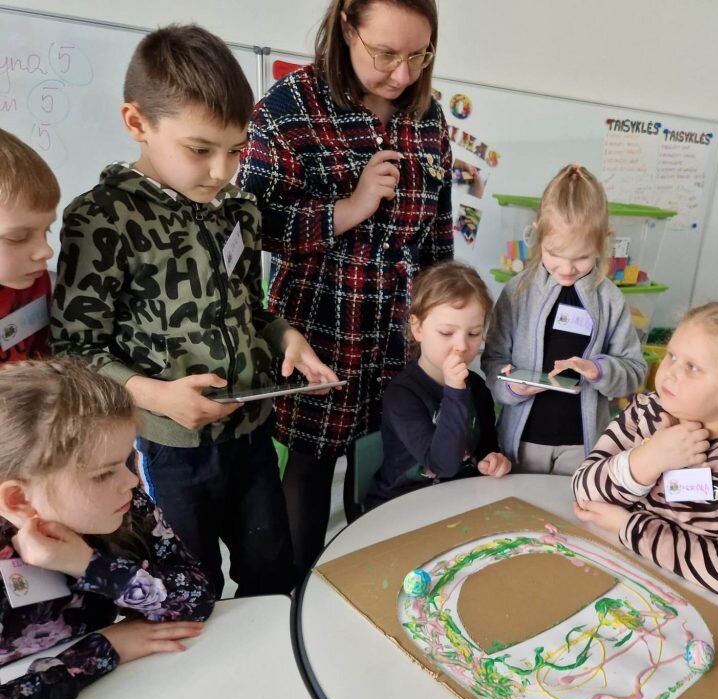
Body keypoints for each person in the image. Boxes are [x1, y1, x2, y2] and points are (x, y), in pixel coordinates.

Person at [49, 25, 336, 596]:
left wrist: (286, 337)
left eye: (236, 149)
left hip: (250, 433)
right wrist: (158, 397)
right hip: (165, 447)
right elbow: (75, 350)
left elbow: (251, 309)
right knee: (188, 587)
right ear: (137, 123)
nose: (222, 170)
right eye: (200, 150)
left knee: (272, 574)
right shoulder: (102, 218)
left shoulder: (239, 209)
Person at [238, 0, 452, 575]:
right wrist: (347, 209)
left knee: (391, 459)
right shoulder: (288, 109)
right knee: (310, 467)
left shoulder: (428, 117)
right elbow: (251, 224)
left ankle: (369, 583)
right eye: (385, 54)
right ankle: (299, 594)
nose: (402, 74)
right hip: (320, 328)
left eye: (418, 55)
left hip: (400, 332)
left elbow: (437, 235)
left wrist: (442, 319)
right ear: (346, 27)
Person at [0, 359, 214, 699]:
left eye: (127, 460)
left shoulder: (123, 506)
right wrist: (100, 652)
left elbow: (196, 597)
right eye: (103, 473)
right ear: (18, 499)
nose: (132, 481)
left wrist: (87, 564)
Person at [572, 302, 718, 595]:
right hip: (613, 571)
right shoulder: (646, 410)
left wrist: (628, 526)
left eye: (692, 367)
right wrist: (648, 459)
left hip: (686, 598)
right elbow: (583, 490)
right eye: (671, 355)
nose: (668, 372)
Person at [481, 163, 647, 475]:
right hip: (522, 443)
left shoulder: (610, 299)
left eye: (582, 257)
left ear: (603, 241)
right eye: (554, 253)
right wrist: (511, 388)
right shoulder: (517, 292)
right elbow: (493, 360)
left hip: (582, 447)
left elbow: (634, 371)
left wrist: (599, 370)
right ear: (538, 236)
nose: (567, 268)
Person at [366, 261, 510, 508]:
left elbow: (485, 445)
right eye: (446, 333)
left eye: (474, 333)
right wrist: (454, 391)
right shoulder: (402, 394)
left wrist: (493, 460)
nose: (462, 346)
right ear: (418, 328)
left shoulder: (476, 386)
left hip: (459, 500)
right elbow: (443, 465)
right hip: (403, 506)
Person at [0, 129, 56, 364]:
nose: (46, 251)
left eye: (46, 230)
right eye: (18, 237)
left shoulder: (33, 282)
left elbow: (43, 356)